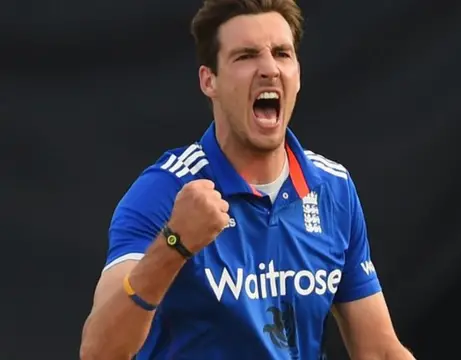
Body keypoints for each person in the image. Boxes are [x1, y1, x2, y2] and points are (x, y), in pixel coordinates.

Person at [79, 0, 414, 359]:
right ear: (210, 81)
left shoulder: (333, 188)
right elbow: (99, 351)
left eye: (282, 53)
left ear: (297, 74)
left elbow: (379, 351)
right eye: (246, 56)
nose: (269, 68)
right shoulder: (164, 190)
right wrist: (173, 245)